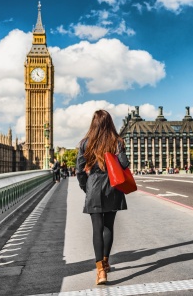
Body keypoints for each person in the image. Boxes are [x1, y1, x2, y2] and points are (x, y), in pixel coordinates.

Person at [76, 110, 128, 285]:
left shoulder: (85, 143)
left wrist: (86, 187)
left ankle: (100, 271)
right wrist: (118, 149)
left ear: (94, 123)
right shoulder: (117, 142)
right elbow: (124, 164)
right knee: (108, 227)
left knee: (96, 229)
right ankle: (105, 262)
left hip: (94, 188)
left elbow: (79, 171)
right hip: (113, 188)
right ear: (110, 123)